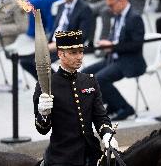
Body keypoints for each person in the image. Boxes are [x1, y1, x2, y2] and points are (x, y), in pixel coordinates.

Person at [33, 30, 119, 166]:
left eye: (81, 52)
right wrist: (43, 114)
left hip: (92, 153)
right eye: (73, 53)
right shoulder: (47, 85)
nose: (79, 57)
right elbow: (42, 130)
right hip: (62, 157)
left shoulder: (90, 81)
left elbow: (100, 116)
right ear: (61, 54)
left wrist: (107, 134)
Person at [82, 0, 146, 121]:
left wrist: (112, 46)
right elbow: (115, 36)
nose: (110, 9)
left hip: (129, 60)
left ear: (121, 1)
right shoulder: (118, 15)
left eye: (111, 5)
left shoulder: (134, 17)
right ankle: (113, 104)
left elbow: (136, 45)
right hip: (114, 57)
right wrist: (107, 43)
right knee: (85, 74)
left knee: (99, 79)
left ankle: (125, 107)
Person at [19, 0, 93, 80]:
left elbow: (82, 36)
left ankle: (58, 86)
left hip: (68, 48)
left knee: (36, 63)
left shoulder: (84, 8)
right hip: (52, 46)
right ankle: (56, 86)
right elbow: (56, 28)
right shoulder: (61, 6)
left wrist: (58, 44)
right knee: (25, 61)